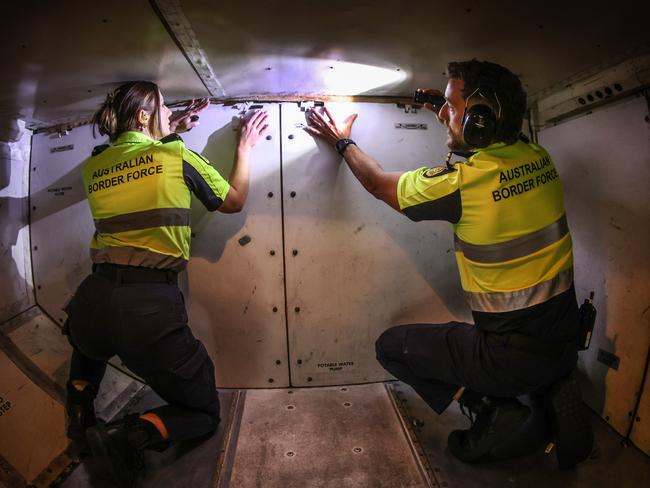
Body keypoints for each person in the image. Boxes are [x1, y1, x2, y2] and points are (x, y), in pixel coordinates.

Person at [305, 60, 593, 467]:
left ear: (479, 120)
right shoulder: (538, 156)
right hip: (564, 338)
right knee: (534, 359)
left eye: (450, 107)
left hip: (505, 357)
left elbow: (376, 182)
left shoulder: (463, 184)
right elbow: (493, 136)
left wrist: (343, 141)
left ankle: (492, 410)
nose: (444, 114)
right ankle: (552, 384)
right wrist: (447, 112)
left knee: (392, 348)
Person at [63, 80, 268, 486]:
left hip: (92, 300)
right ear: (144, 116)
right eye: (160, 109)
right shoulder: (174, 154)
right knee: (203, 411)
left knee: (89, 351)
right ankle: (132, 436)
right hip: (147, 309)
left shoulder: (94, 165)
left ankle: (80, 414)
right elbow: (233, 200)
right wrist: (245, 146)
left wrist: (169, 123)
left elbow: (132, 161)